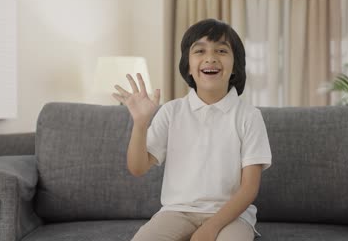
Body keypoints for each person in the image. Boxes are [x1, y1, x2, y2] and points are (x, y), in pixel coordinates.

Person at [112, 18, 272, 241]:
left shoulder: (249, 116)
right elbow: (137, 167)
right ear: (187, 64)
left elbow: (249, 189)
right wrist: (140, 123)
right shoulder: (171, 111)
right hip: (175, 212)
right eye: (200, 50)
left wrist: (211, 228)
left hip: (231, 215)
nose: (211, 58)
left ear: (235, 65)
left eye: (221, 50)